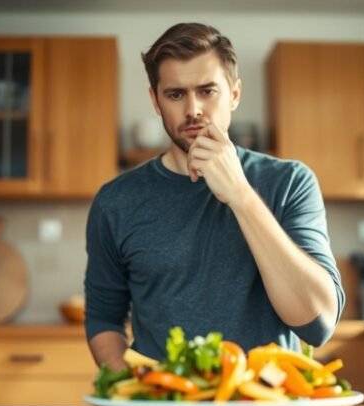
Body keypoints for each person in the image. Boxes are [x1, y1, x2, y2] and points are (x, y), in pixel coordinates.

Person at [84, 23, 344, 370]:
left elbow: (318, 324)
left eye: (208, 91)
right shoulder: (115, 202)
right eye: (176, 94)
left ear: (234, 94)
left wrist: (240, 195)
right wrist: (136, 388)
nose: (193, 109)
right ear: (156, 101)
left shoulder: (290, 183)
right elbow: (103, 320)